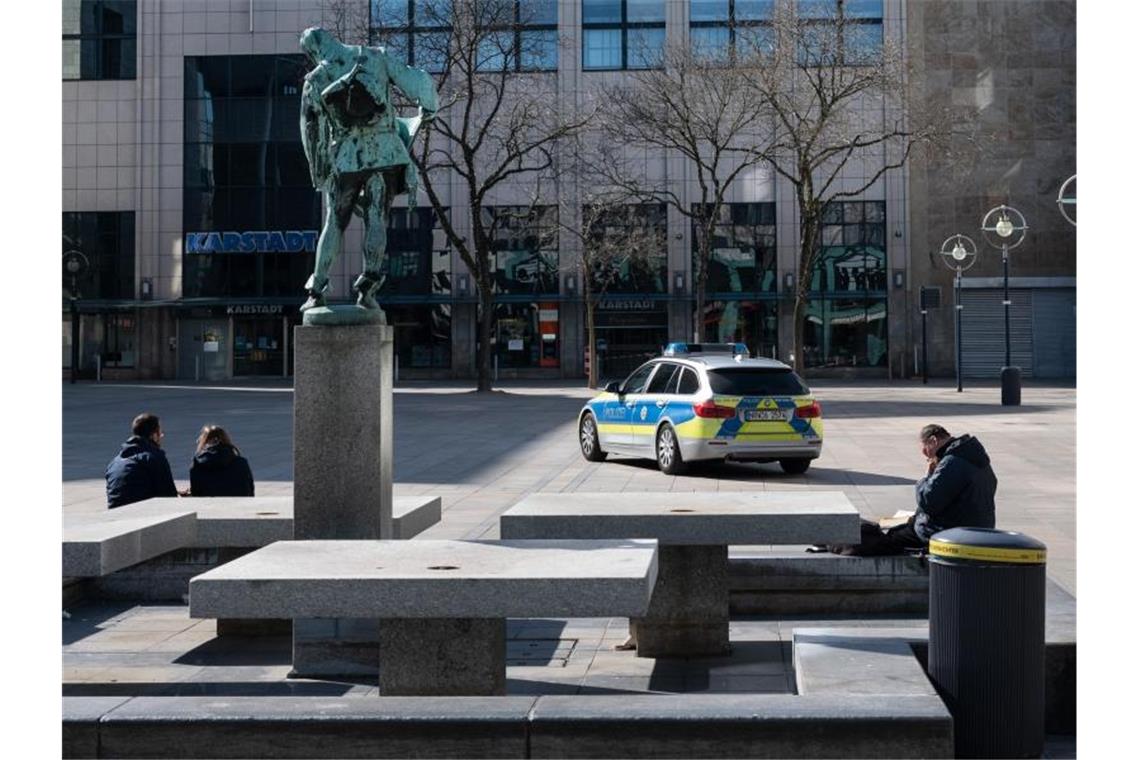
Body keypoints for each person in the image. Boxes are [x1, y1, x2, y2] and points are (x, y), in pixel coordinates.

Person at [296, 26, 438, 312]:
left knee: (334, 223)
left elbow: (310, 130)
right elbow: (418, 82)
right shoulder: (376, 56)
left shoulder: (316, 78)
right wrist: (429, 107)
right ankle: (368, 288)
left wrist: (319, 168)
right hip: (386, 152)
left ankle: (317, 288)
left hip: (346, 157)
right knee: (376, 219)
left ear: (313, 51)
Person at [820, 423, 998, 556]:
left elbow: (928, 501)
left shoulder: (951, 462)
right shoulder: (975, 457)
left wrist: (926, 477)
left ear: (933, 441)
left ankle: (833, 542)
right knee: (896, 527)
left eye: (925, 448)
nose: (925, 454)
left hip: (945, 533)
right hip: (978, 528)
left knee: (884, 540)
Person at [105, 413, 178, 508]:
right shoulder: (153, 457)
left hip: (115, 516)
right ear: (154, 436)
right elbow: (169, 495)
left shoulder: (115, 462)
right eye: (160, 433)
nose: (161, 437)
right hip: (141, 515)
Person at [188, 425, 255, 497]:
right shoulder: (242, 463)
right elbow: (250, 492)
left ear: (204, 442)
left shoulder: (197, 465)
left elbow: (196, 495)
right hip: (238, 506)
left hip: (209, 506)